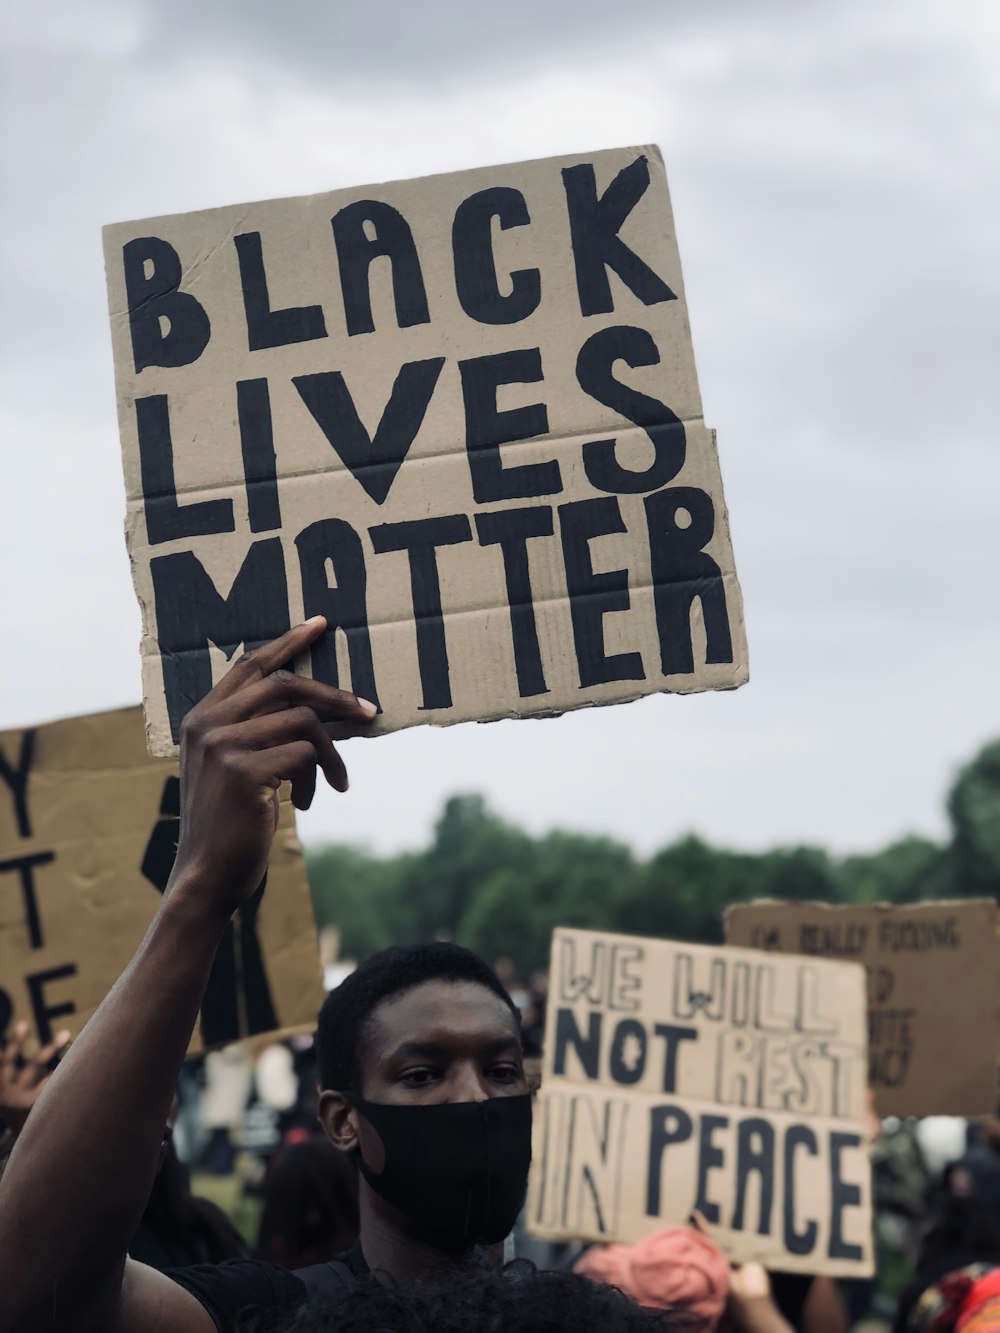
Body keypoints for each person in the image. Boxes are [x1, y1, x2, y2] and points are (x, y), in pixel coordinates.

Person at [0, 618, 541, 1333]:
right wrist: (200, 884)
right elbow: (33, 1290)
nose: (473, 1098)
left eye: (502, 1069)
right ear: (342, 1120)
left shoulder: (593, 1315)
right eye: (422, 1073)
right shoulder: (269, 1315)